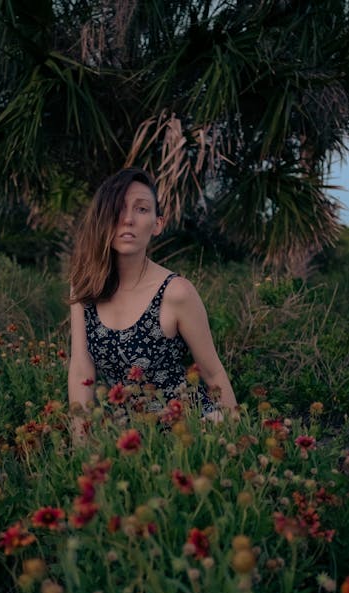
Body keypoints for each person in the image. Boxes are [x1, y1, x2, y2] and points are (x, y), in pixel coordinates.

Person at [68, 167, 237, 439]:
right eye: (119, 208)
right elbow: (80, 372)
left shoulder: (176, 292)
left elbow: (213, 371)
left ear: (158, 224)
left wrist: (238, 441)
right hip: (126, 434)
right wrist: (81, 446)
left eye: (142, 209)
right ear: (104, 217)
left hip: (190, 429)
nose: (128, 219)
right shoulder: (85, 287)